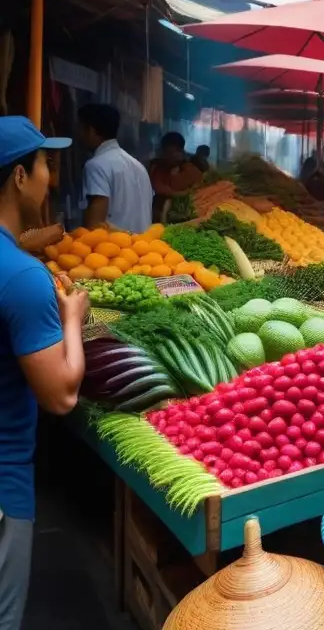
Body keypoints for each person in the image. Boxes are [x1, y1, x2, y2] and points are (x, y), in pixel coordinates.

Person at [0, 117, 89, 630]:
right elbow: (60, 396)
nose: (49, 178)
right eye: (44, 165)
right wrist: (72, 320)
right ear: (18, 177)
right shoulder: (23, 277)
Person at [78, 103, 153, 233]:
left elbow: (95, 225)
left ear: (91, 130)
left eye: (80, 129)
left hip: (114, 250)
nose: (78, 135)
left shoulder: (96, 166)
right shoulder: (139, 166)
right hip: (144, 249)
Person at [149, 132, 203, 223]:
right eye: (165, 152)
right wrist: (183, 193)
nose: (168, 156)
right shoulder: (157, 168)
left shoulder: (191, 170)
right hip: (155, 216)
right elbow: (158, 188)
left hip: (183, 219)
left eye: (171, 152)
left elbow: (197, 192)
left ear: (181, 151)